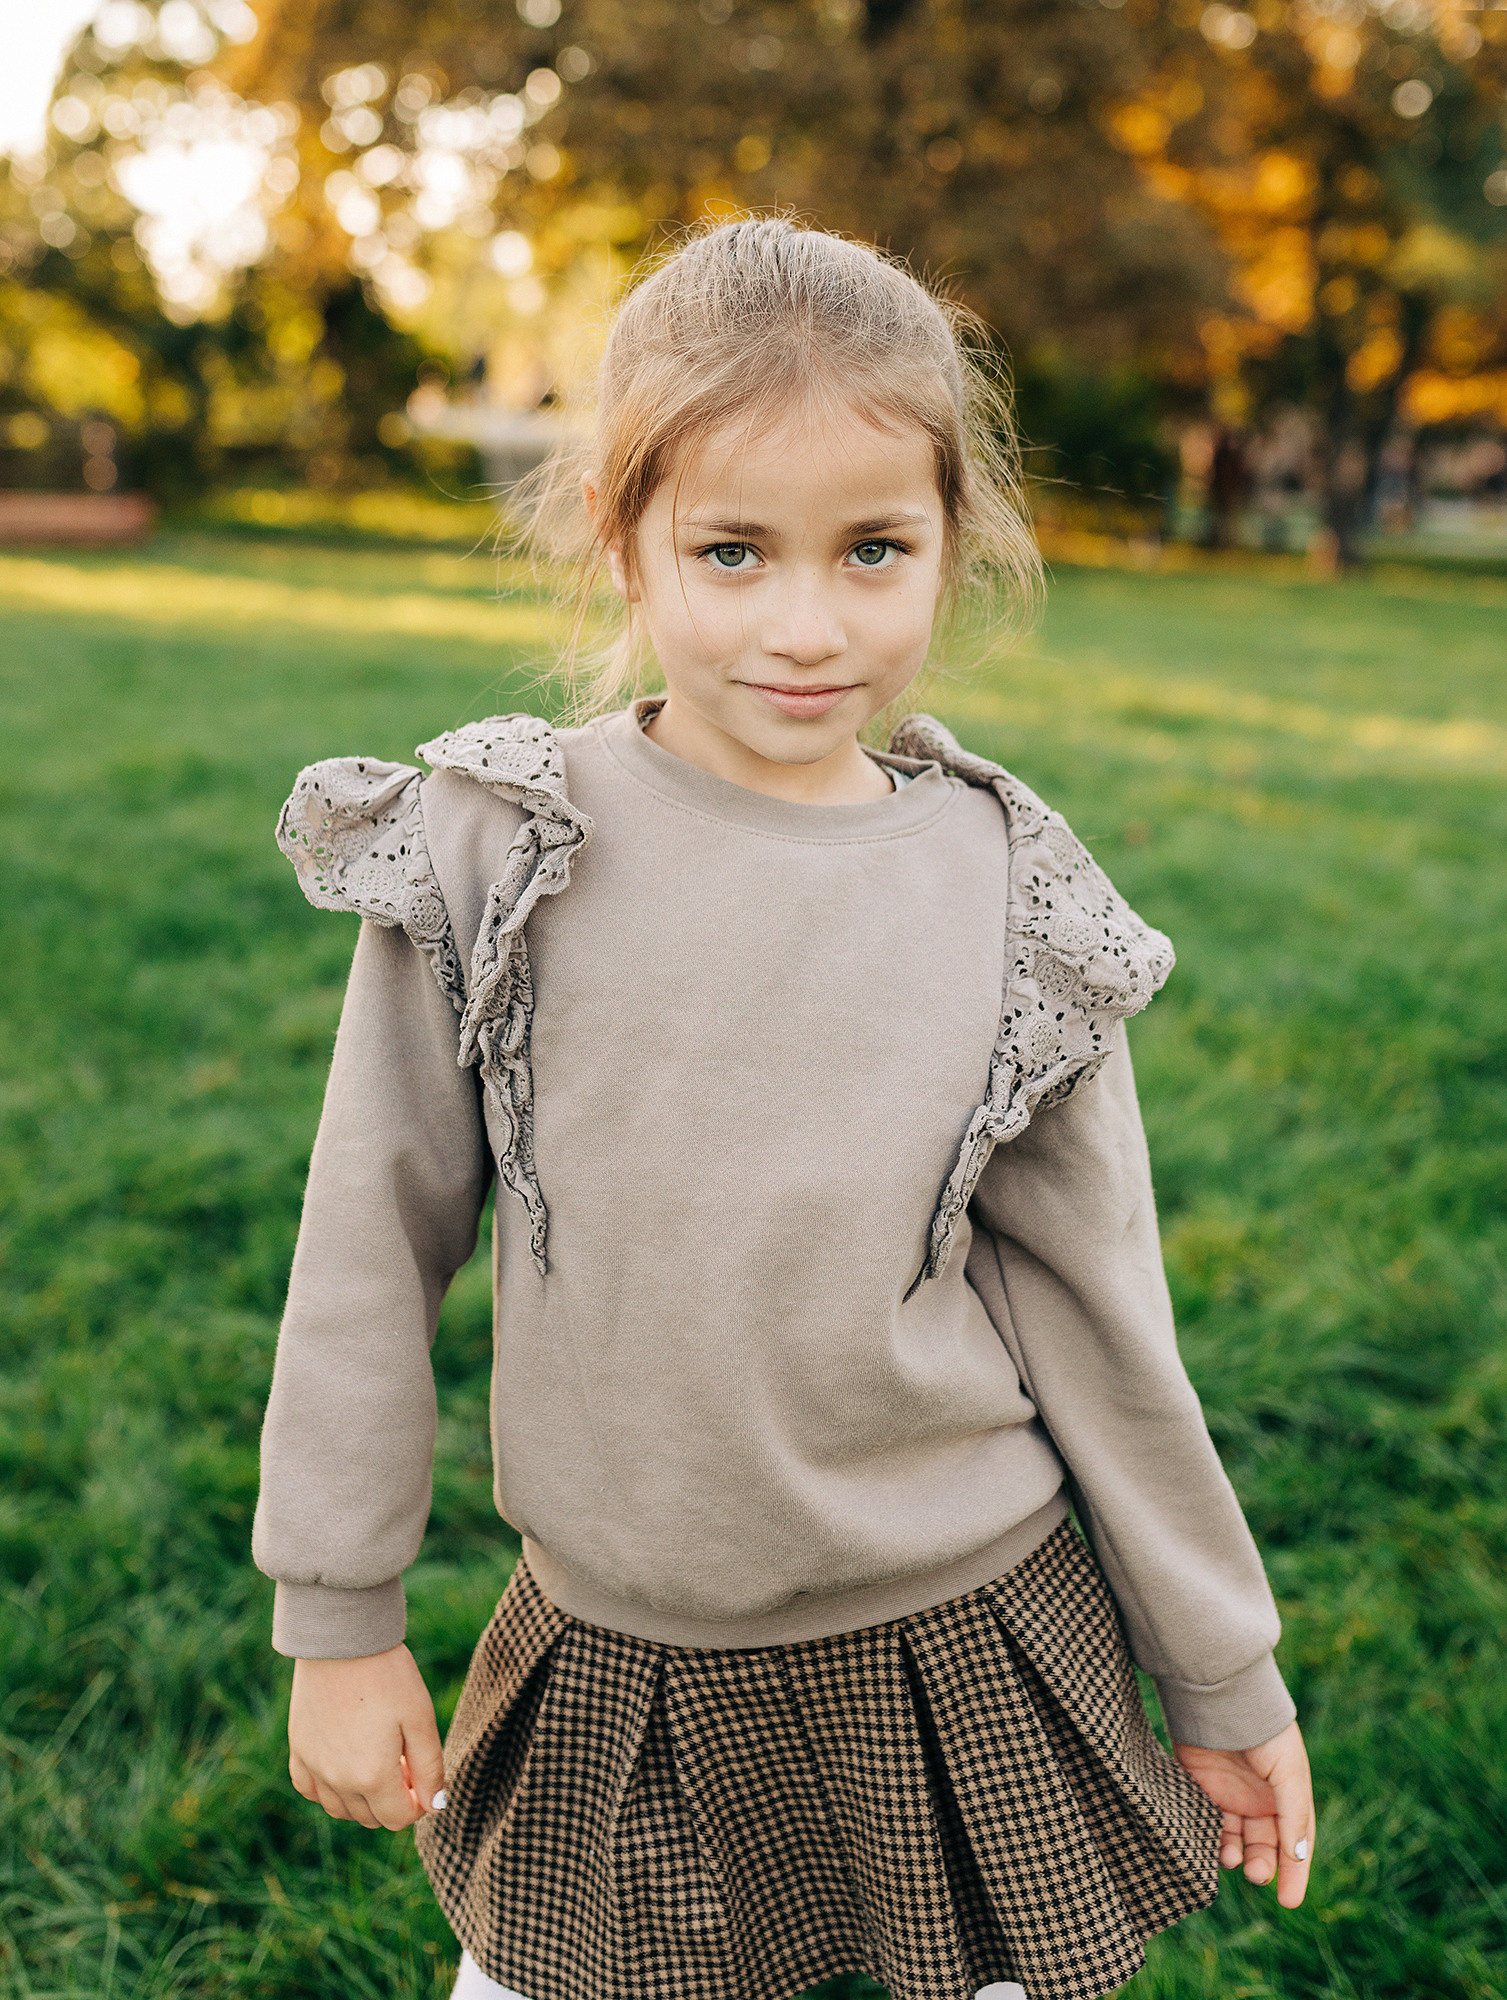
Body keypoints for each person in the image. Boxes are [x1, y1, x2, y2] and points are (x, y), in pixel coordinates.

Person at [255, 219, 1314, 2000]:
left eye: (873, 550)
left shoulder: (1013, 893)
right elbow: (370, 1240)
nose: (806, 627)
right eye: (732, 552)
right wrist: (338, 1619)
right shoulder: (501, 846)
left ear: (952, 544)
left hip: (969, 1622)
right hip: (625, 1646)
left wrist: (1220, 1671)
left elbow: (1101, 1314)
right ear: (623, 539)